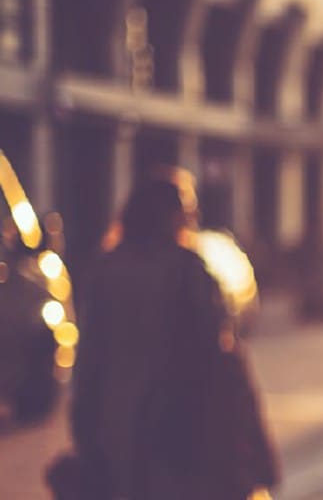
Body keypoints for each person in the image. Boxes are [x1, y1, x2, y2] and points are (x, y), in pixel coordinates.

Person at [68, 169, 277, 499]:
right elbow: (217, 355)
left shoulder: (105, 269)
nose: (193, 218)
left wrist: (84, 420)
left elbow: (89, 355)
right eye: (189, 211)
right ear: (174, 216)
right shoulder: (186, 270)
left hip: (116, 422)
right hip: (180, 425)